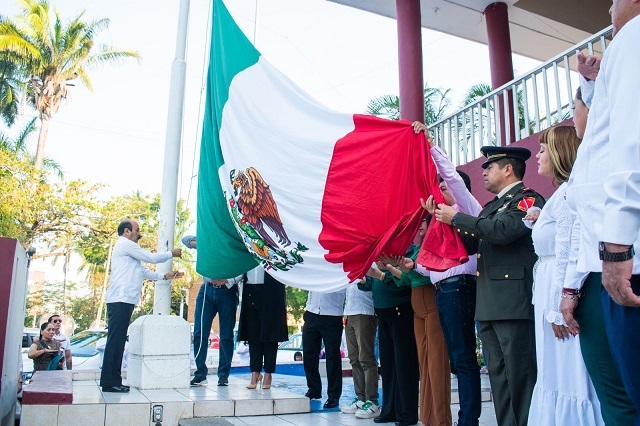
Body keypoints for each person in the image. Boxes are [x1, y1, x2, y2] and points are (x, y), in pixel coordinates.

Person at [561, 3, 640, 422]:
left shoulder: (634, 35)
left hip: (624, 264)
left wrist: (615, 254)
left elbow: (629, 153)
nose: (609, 7)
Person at [433, 146, 544, 426]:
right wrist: (445, 219)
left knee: (520, 377)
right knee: (499, 379)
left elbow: (502, 232)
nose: (483, 172)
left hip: (512, 302)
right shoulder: (491, 206)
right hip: (490, 303)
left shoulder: (526, 199)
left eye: (490, 167)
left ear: (508, 169)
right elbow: (473, 243)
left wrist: (456, 217)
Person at [524, 126, 603, 425]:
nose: (538, 156)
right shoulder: (559, 194)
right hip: (548, 289)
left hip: (558, 295)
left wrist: (559, 305)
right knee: (552, 369)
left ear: (559, 153)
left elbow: (570, 250)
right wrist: (538, 222)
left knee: (569, 371)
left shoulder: (569, 192)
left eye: (543, 150)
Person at [414, 121, 483, 426]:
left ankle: (468, 420)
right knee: (459, 358)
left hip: (459, 288)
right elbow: (433, 266)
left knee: (464, 359)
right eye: (439, 187)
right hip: (445, 291)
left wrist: (430, 146)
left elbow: (452, 177)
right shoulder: (441, 219)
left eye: (446, 187)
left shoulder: (467, 208)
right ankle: (466, 418)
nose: (442, 190)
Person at [380, 217, 451, 426]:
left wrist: (408, 268)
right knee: (425, 364)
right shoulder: (417, 250)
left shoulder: (433, 246)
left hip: (431, 304)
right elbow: (406, 280)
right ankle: (428, 417)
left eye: (424, 221)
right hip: (417, 308)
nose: (420, 225)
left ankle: (441, 419)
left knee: (436, 363)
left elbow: (428, 276)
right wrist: (395, 267)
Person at [100, 219, 182, 393]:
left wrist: (164, 277)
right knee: (115, 341)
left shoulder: (128, 251)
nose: (139, 233)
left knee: (119, 341)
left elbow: (142, 271)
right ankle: (109, 382)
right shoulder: (125, 245)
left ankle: (114, 379)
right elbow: (151, 258)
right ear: (126, 232)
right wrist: (171, 254)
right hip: (120, 299)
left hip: (126, 300)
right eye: (137, 230)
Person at [359, 263, 419, 426]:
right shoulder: (380, 254)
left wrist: (381, 276)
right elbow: (370, 285)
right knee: (388, 366)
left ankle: (406, 412)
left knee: (404, 365)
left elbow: (403, 281)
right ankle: (390, 409)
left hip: (400, 310)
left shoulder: (401, 251)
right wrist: (365, 278)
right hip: (383, 314)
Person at [181, 235, 243, 387]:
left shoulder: (233, 241)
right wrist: (207, 241)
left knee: (226, 334)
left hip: (227, 291)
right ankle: (200, 373)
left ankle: (223, 375)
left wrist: (228, 280)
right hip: (207, 290)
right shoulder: (208, 239)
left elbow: (243, 268)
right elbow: (186, 240)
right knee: (200, 331)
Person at [237, 268, 288, 389]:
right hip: (250, 290)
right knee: (253, 337)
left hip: (271, 291)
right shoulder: (249, 250)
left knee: (270, 336)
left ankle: (268, 373)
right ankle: (255, 372)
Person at [340, 281, 379, 419]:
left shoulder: (371, 261)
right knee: (354, 359)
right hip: (349, 313)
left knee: (366, 359)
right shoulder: (348, 263)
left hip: (365, 311)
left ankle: (372, 401)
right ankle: (360, 398)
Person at [302, 289, 346, 409]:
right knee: (308, 353)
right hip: (312, 311)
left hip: (332, 313)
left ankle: (333, 395)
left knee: (332, 356)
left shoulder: (338, 269)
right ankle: (313, 389)